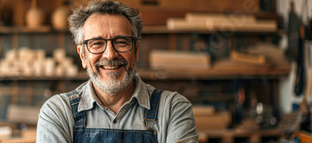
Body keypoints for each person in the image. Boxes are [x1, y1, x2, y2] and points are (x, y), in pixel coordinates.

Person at [36, 0, 198, 142]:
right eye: (97, 43)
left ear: (136, 51)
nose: (110, 54)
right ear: (83, 56)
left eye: (121, 42)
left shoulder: (172, 109)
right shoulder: (58, 112)